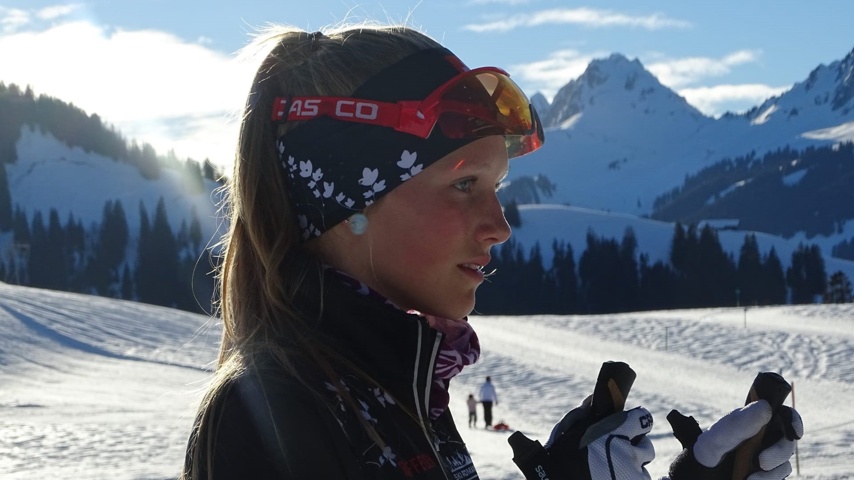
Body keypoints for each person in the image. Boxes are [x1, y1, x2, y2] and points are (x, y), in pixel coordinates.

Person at [181, 22, 802, 480]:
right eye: (464, 185)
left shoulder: (393, 385)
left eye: (496, 187)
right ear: (345, 201)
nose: (499, 226)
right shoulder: (269, 418)